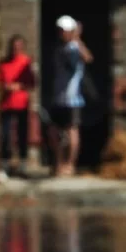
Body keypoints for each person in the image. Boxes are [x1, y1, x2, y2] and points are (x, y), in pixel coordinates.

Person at [46, 15, 94, 175]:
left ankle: (70, 164)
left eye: (65, 31)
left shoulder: (74, 48)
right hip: (57, 98)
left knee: (71, 131)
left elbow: (87, 58)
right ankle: (59, 163)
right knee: (55, 132)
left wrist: (77, 39)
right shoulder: (59, 48)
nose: (61, 33)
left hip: (72, 98)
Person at [0, 35, 36, 179]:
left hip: (21, 104)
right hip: (6, 105)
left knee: (22, 135)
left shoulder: (26, 62)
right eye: (14, 47)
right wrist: (4, 87)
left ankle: (22, 167)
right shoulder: (3, 63)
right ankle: (5, 166)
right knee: (5, 136)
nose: (16, 50)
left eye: (19, 47)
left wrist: (18, 86)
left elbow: (32, 83)